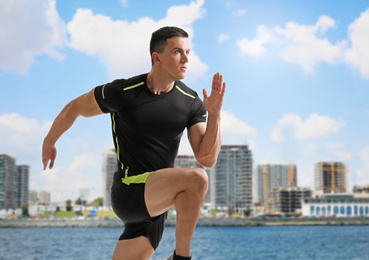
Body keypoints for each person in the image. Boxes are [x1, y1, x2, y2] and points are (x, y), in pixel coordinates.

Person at [42, 26, 226, 260]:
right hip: (129, 192)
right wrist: (50, 140)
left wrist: (215, 116)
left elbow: (206, 158)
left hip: (157, 204)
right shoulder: (124, 92)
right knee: (196, 179)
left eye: (188, 51)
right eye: (178, 52)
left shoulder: (191, 101)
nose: (186, 58)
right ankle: (182, 258)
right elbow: (75, 107)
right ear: (157, 58)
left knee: (196, 180)